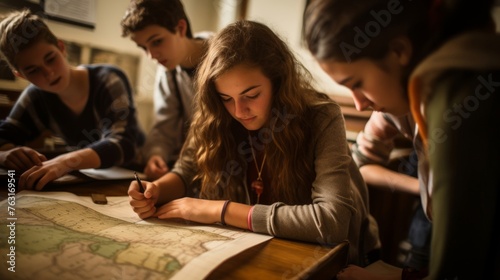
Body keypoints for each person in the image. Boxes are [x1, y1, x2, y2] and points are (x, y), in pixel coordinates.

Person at [128, 20, 381, 265]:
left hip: (337, 261)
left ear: (279, 81)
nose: (239, 111)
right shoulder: (215, 114)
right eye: (226, 97)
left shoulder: (322, 117)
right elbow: (185, 172)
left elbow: (330, 223)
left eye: (252, 95)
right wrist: (155, 191)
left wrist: (220, 210)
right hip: (264, 249)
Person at [304, 0, 500, 279]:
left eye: (356, 84)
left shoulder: (457, 95)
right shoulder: (408, 98)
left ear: (399, 51)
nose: (358, 105)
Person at [0, 9, 145, 190]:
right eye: (33, 70)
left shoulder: (109, 79)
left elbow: (124, 142)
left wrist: (66, 162)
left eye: (50, 59)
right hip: (85, 180)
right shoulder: (35, 96)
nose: (49, 73)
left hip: (132, 178)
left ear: (61, 47)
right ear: (20, 75)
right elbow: (4, 133)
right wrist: (4, 153)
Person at [121, 0, 211, 180]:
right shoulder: (168, 72)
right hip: (195, 168)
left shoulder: (223, 55)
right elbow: (164, 126)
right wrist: (156, 155)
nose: (151, 55)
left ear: (181, 28)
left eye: (156, 41)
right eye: (143, 47)